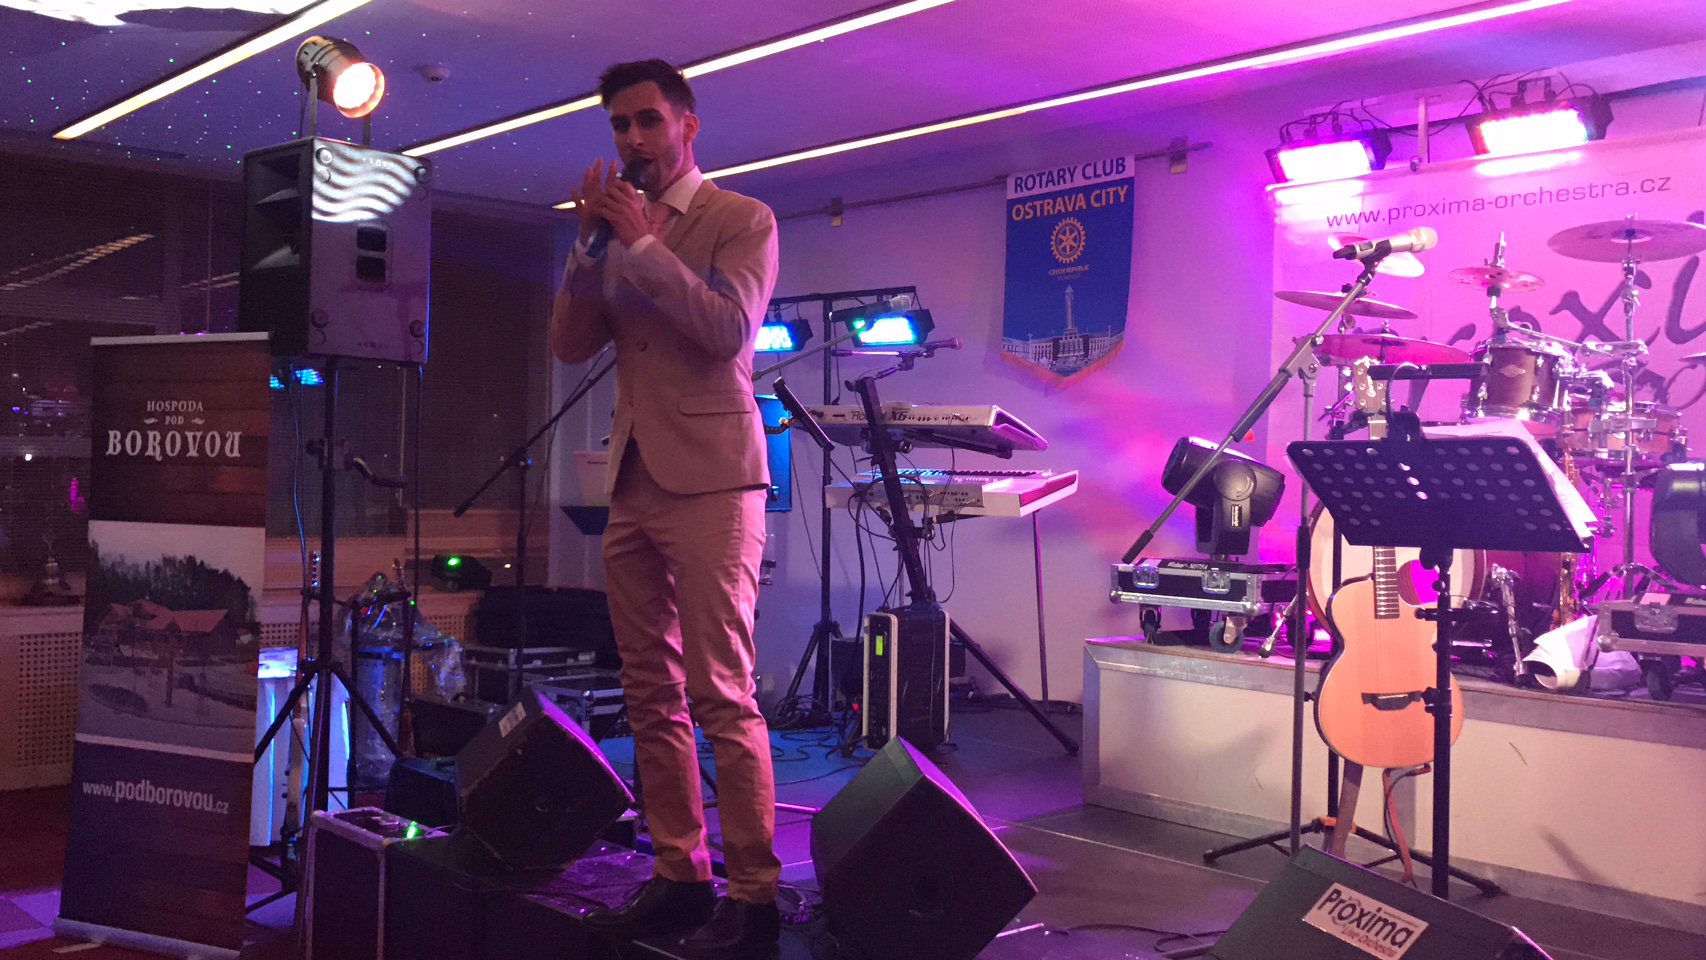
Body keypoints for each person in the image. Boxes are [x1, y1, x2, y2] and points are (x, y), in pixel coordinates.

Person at [548, 59, 782, 960]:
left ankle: (754, 896)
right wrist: (588, 249)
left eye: (648, 121)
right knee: (649, 690)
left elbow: (727, 331)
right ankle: (680, 874)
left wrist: (644, 245)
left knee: (722, 690)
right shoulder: (612, 234)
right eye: (619, 126)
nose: (633, 140)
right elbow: (569, 346)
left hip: (716, 480)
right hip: (633, 480)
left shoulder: (741, 218)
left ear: (688, 125)